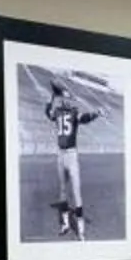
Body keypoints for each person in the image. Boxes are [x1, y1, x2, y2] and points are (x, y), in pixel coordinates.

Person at [41, 79, 101, 240]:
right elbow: (49, 113)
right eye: (64, 98)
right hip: (61, 154)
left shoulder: (68, 112)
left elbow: (84, 118)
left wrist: (95, 114)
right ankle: (66, 224)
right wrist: (52, 97)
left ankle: (80, 230)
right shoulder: (62, 112)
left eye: (66, 98)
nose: (66, 100)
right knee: (63, 191)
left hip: (70, 155)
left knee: (76, 191)